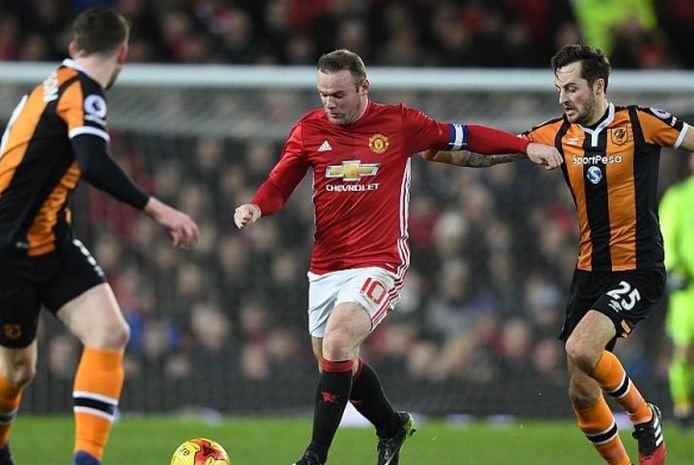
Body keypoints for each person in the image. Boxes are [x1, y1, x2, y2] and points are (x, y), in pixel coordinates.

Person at [233, 48, 562, 465]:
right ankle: (391, 426)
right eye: (322, 94)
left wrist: (524, 145)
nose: (329, 103)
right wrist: (256, 207)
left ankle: (315, 455)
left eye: (338, 94)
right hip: (326, 266)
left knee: (337, 342)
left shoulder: (400, 123)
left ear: (363, 87)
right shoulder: (309, 130)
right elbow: (280, 182)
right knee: (335, 364)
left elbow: (461, 135)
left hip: (381, 260)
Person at [430, 43, 694, 465]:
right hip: (589, 271)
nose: (563, 98)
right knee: (580, 391)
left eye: (572, 88)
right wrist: (432, 147)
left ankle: (646, 420)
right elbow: (484, 157)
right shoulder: (556, 133)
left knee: (581, 348)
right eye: (559, 89)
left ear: (599, 86)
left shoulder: (641, 123)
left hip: (638, 267)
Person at [0, 8, 199, 465]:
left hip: (52, 238)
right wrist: (159, 209)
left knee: (111, 332)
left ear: (74, 47)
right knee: (18, 369)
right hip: (9, 250)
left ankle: (87, 460)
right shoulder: (82, 90)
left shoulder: (51, 84)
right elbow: (92, 163)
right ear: (123, 55)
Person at [659, 152, 694, 431]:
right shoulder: (679, 197)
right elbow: (666, 236)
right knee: (685, 350)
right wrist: (672, 270)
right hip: (690, 291)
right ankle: (683, 406)